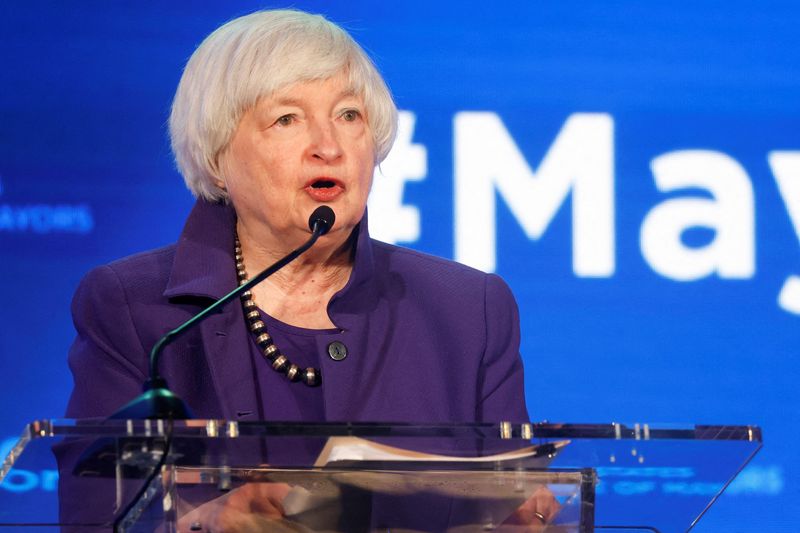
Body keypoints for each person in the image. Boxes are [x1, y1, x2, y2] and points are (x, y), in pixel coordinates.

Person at [63, 8, 552, 530]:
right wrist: (204, 522)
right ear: (216, 159)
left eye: (349, 115)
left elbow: (514, 497)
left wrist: (528, 517)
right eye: (287, 119)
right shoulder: (134, 309)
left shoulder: (468, 309)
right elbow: (96, 513)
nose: (329, 146)